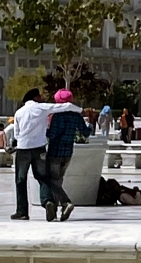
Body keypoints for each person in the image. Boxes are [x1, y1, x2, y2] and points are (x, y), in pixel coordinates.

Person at [10, 89, 84, 221]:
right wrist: (80, 110)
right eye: (39, 95)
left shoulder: (19, 113)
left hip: (23, 149)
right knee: (43, 177)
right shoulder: (42, 108)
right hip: (39, 148)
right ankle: (48, 201)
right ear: (35, 98)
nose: (42, 97)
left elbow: (16, 134)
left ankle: (22, 212)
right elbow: (65, 106)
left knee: (20, 180)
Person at [42, 90, 91, 222]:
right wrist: (90, 123)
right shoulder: (76, 116)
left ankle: (65, 203)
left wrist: (44, 130)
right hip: (68, 152)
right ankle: (55, 210)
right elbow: (86, 132)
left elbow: (52, 135)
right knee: (59, 180)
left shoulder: (57, 116)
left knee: (52, 181)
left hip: (55, 151)